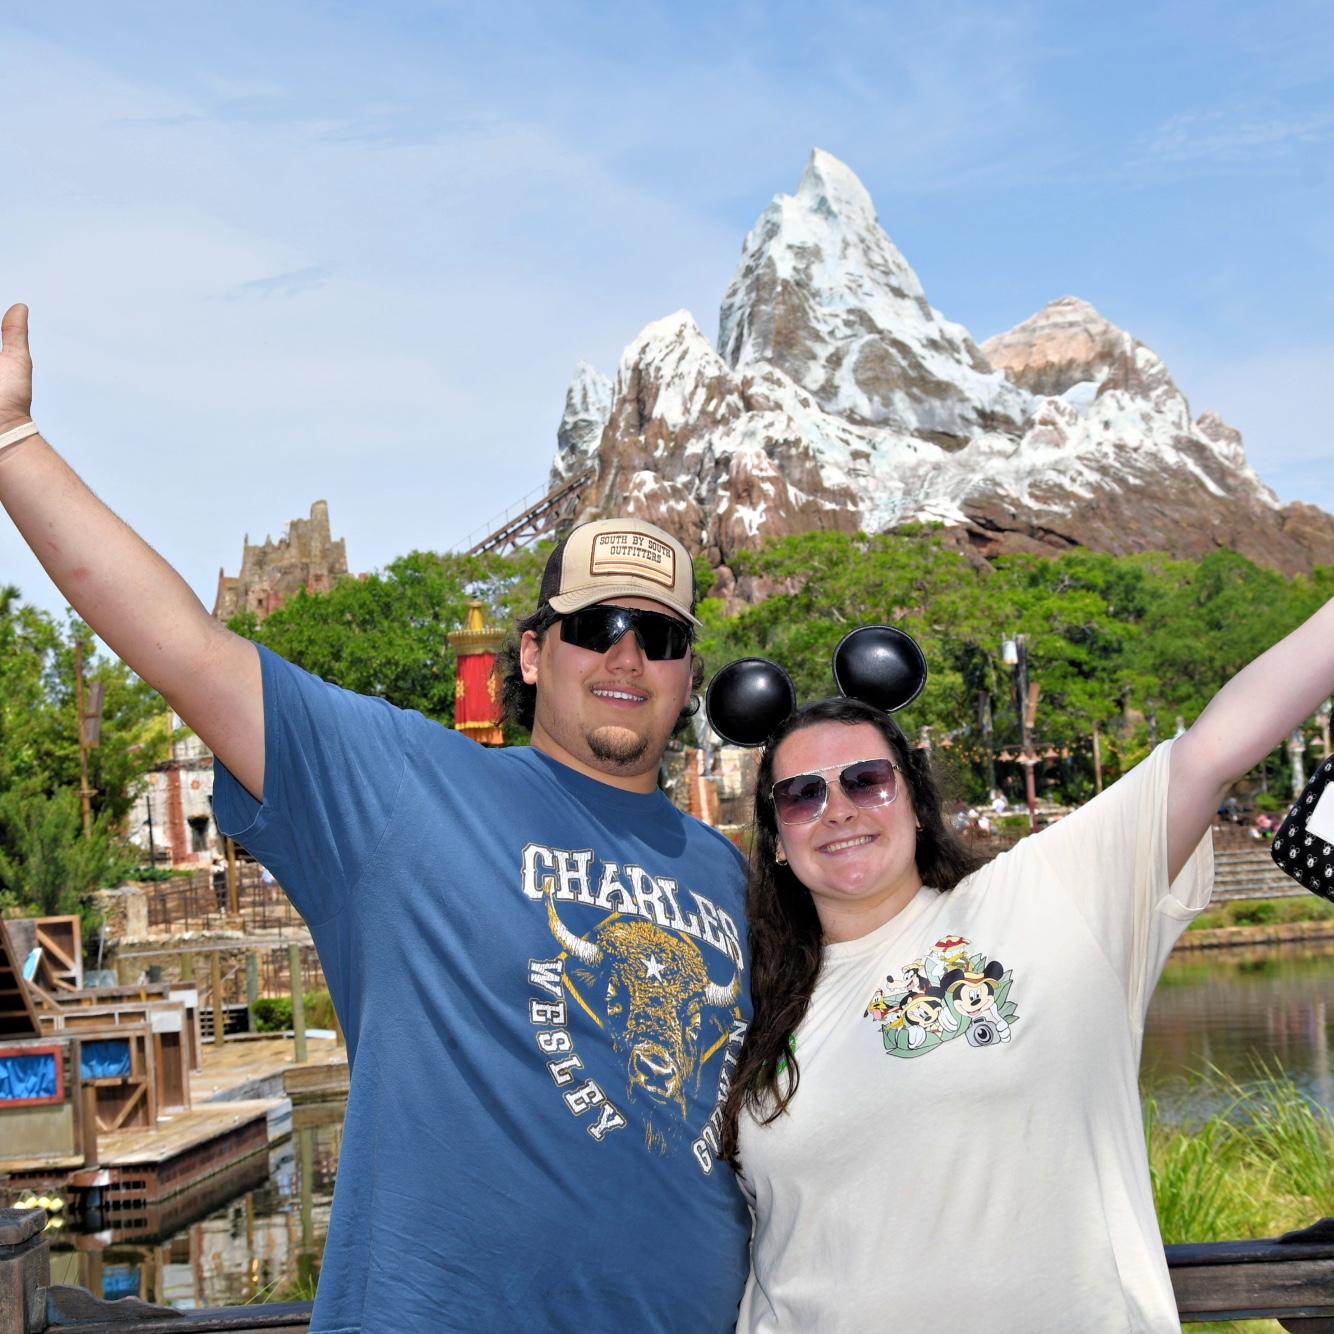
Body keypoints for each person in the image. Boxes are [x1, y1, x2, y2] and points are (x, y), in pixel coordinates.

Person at [0, 305, 751, 1331]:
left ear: (687, 673)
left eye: (658, 637)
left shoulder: (729, 871)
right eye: (596, 625)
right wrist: (14, 443)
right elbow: (184, 647)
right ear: (533, 654)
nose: (626, 655)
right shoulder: (408, 790)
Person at [713, 609, 1334, 1332]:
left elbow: (1214, 750)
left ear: (916, 802)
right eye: (802, 794)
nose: (838, 810)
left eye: (867, 780)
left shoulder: (1047, 899)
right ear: (778, 839)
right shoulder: (760, 1001)